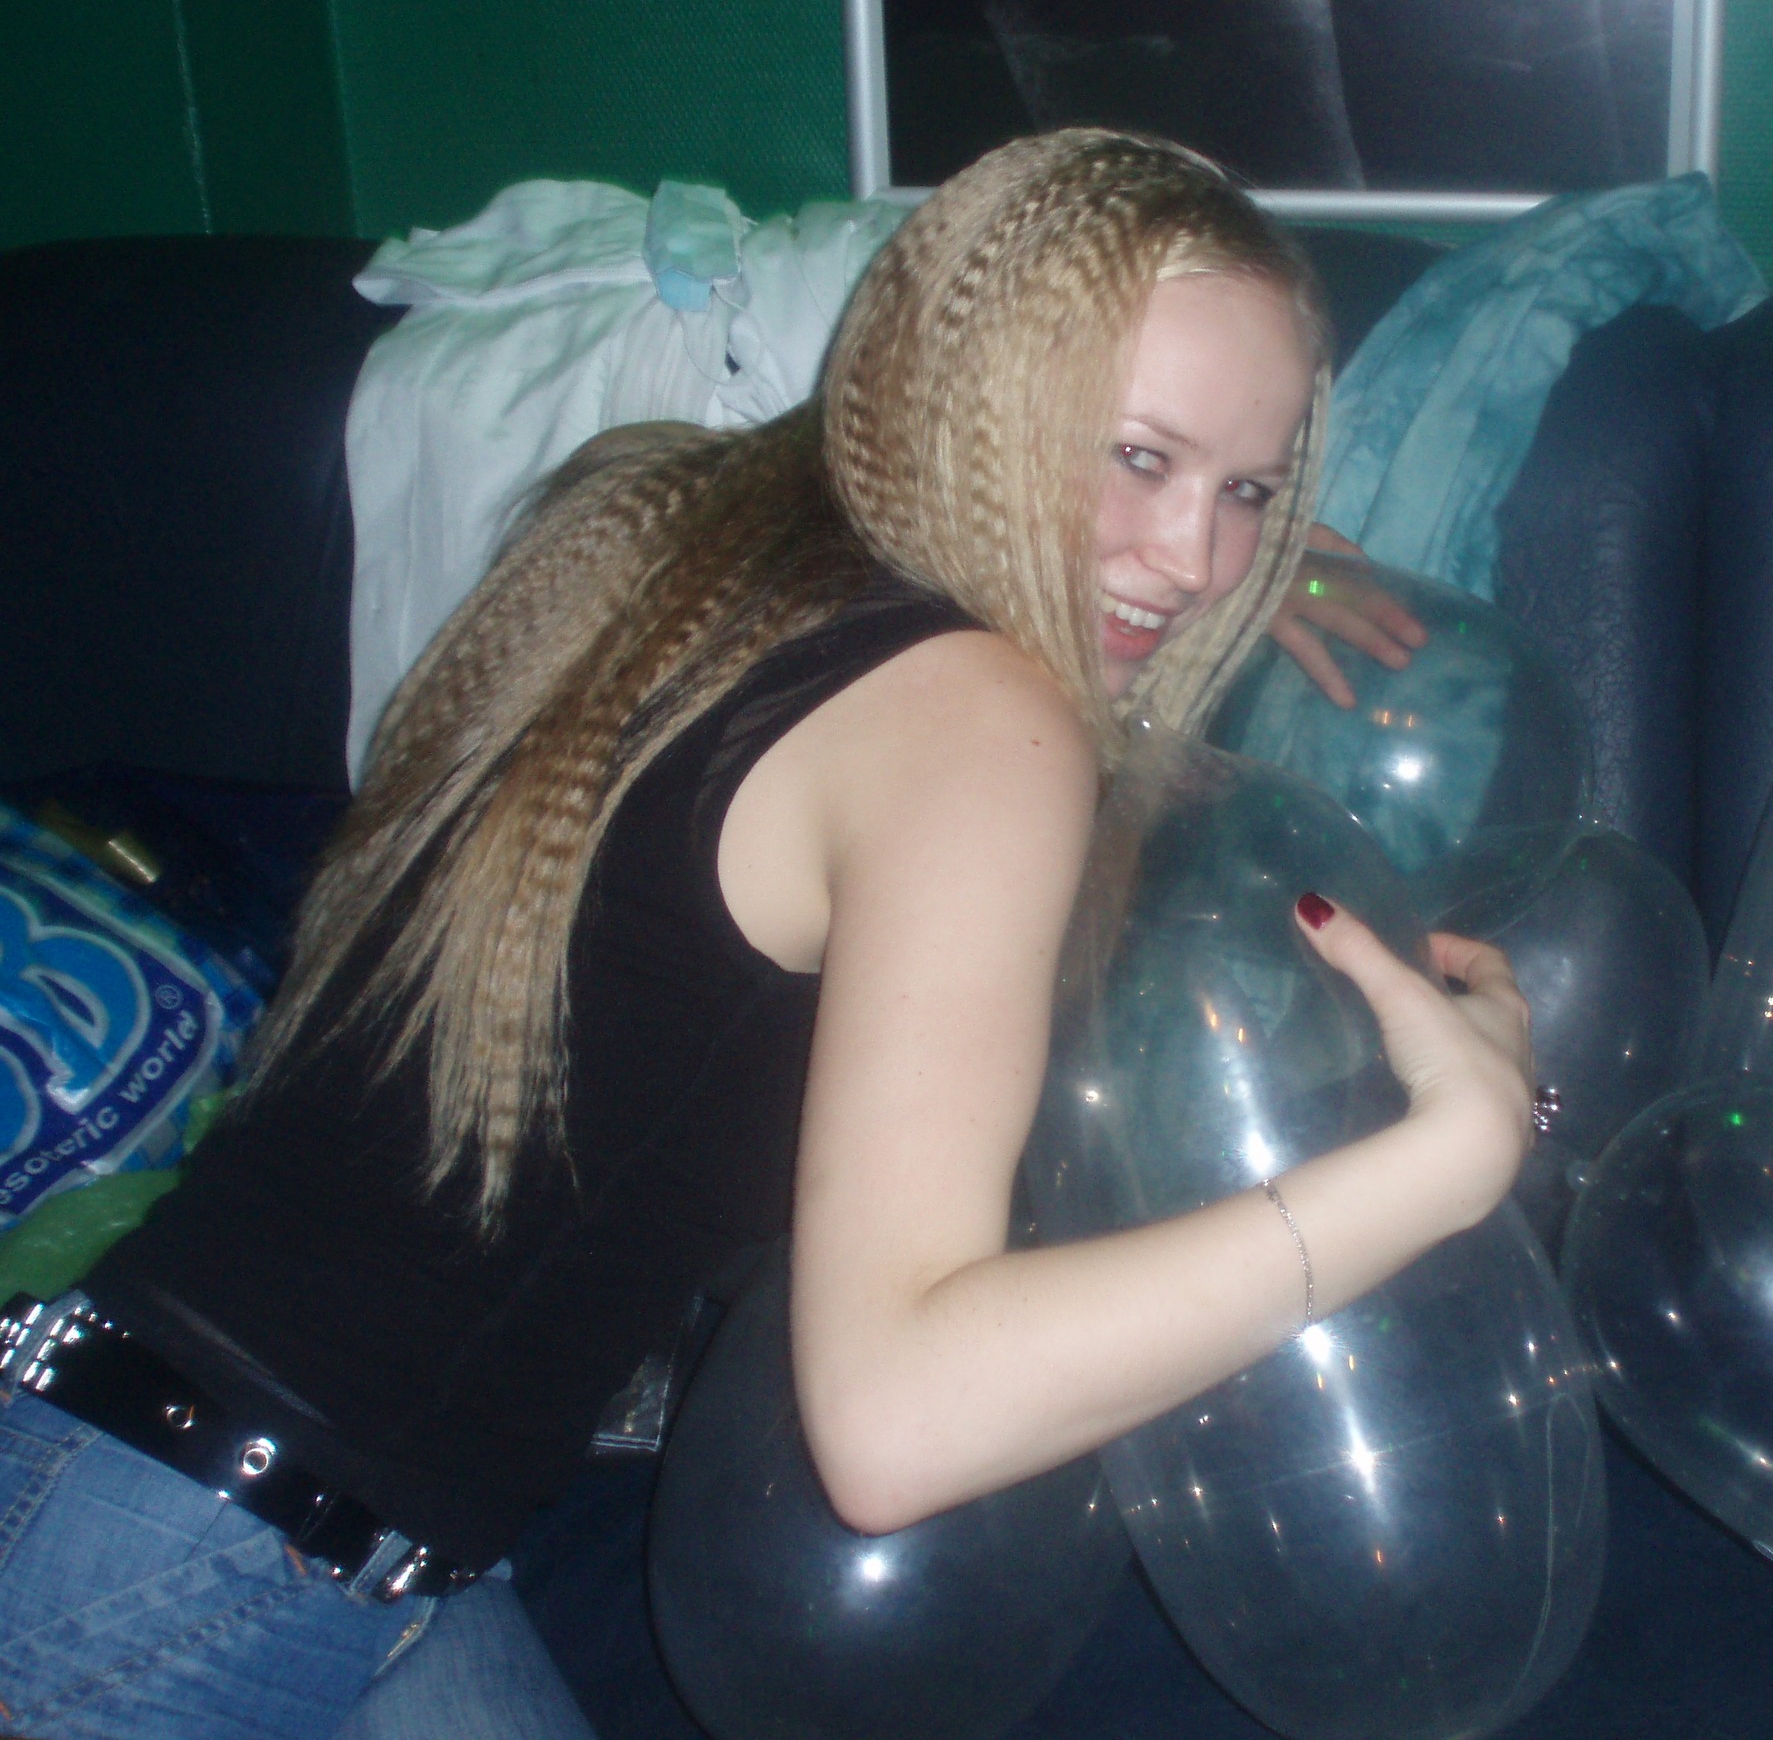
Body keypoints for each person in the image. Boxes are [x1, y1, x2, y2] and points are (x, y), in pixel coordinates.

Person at [0, 130, 1534, 1740]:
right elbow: (897, 1424)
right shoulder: (981, 723)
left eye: (1249, 492)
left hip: (223, 1507)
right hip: (173, 1592)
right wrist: (1448, 1159)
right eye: (1135, 457)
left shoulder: (695, 535)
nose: (1197, 559)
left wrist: (1156, 557)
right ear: (977, 399)